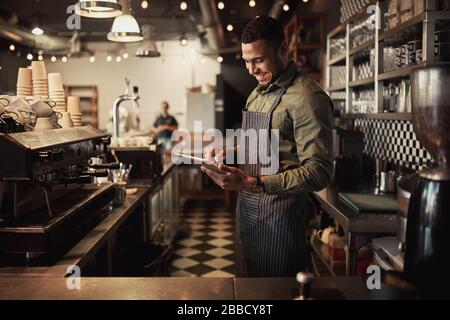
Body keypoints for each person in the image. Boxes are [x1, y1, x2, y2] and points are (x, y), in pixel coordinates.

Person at [201, 16, 334, 277]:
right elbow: (260, 149)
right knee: (251, 290)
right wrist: (230, 154)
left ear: (283, 50)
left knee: (276, 292)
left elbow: (319, 171)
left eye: (258, 60)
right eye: (246, 61)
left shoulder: (307, 97)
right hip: (249, 214)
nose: (251, 69)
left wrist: (255, 183)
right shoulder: (256, 94)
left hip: (282, 218)